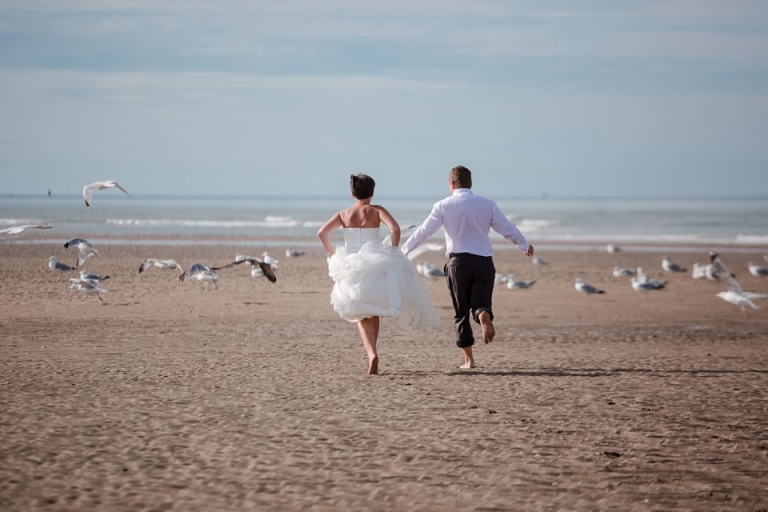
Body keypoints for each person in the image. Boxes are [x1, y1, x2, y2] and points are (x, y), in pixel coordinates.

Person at [401, 165, 534, 369]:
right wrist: (524, 244)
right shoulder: (487, 204)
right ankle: (483, 314)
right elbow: (507, 228)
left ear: (452, 184)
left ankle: (469, 360)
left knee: (461, 312)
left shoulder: (443, 205)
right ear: (470, 184)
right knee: (481, 302)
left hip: (458, 263)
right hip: (483, 262)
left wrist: (404, 250)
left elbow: (424, 231)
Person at [318, 174, 440, 375]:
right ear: (372, 193)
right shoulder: (377, 210)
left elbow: (322, 233)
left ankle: (371, 354)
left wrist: (334, 253)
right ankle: (373, 351)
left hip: (350, 262)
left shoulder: (344, 213)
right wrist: (393, 250)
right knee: (372, 309)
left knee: (362, 312)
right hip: (375, 261)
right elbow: (395, 229)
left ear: (352, 192)